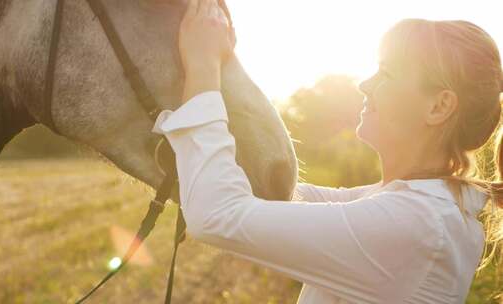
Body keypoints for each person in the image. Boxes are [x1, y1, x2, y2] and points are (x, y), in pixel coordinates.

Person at [152, 0, 503, 302]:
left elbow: (219, 215)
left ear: (439, 107)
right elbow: (272, 194)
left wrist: (202, 64)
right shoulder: (409, 206)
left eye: (387, 73)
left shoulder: (417, 225)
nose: (364, 84)